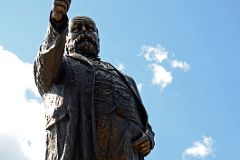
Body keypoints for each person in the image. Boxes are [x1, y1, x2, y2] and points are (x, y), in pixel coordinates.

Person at [34, 0, 155, 159]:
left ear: (98, 38)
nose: (84, 32)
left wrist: (149, 138)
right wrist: (57, 23)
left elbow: (144, 121)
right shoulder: (61, 66)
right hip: (79, 148)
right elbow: (45, 67)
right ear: (66, 39)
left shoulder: (126, 79)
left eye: (90, 29)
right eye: (77, 29)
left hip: (127, 152)